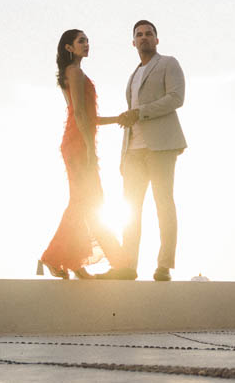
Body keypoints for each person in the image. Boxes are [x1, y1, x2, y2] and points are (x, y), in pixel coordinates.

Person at [38, 29, 135, 280]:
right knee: (87, 202)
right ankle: (55, 258)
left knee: (86, 202)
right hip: (79, 144)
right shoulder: (75, 72)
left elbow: (86, 116)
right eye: (81, 41)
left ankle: (73, 261)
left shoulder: (71, 73)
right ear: (69, 47)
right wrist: (90, 148)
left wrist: (118, 119)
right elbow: (81, 114)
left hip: (77, 141)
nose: (87, 44)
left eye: (87, 40)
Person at [97, 20, 186, 282]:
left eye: (149, 34)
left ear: (157, 40)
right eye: (139, 35)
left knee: (163, 204)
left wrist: (140, 112)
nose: (144, 37)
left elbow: (176, 98)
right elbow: (130, 114)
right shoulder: (133, 75)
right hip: (132, 151)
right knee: (131, 210)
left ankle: (164, 266)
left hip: (160, 147)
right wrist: (123, 155)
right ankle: (127, 266)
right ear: (133, 42)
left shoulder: (168, 63)